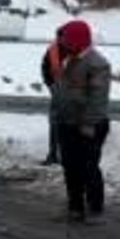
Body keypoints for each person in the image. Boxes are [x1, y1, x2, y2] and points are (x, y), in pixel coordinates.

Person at [53, 19, 112, 224]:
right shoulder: (70, 58)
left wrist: (88, 124)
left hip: (89, 126)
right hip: (68, 123)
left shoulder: (98, 64)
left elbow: (98, 99)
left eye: (68, 40)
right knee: (70, 166)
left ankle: (95, 208)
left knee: (88, 166)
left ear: (79, 40)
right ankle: (75, 207)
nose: (64, 44)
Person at [40, 25, 68, 166]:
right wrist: (50, 84)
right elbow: (45, 67)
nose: (61, 40)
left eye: (63, 37)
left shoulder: (75, 50)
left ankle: (66, 155)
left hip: (73, 93)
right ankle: (53, 154)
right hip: (57, 91)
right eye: (59, 37)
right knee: (54, 123)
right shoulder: (53, 50)